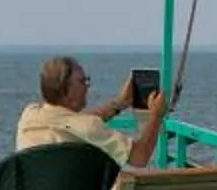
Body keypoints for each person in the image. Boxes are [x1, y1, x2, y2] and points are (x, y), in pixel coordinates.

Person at [15, 56, 167, 169]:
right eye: (82, 81)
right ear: (65, 89)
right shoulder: (87, 126)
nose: (87, 86)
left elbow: (72, 122)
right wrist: (156, 115)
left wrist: (120, 103)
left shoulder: (29, 115)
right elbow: (139, 157)